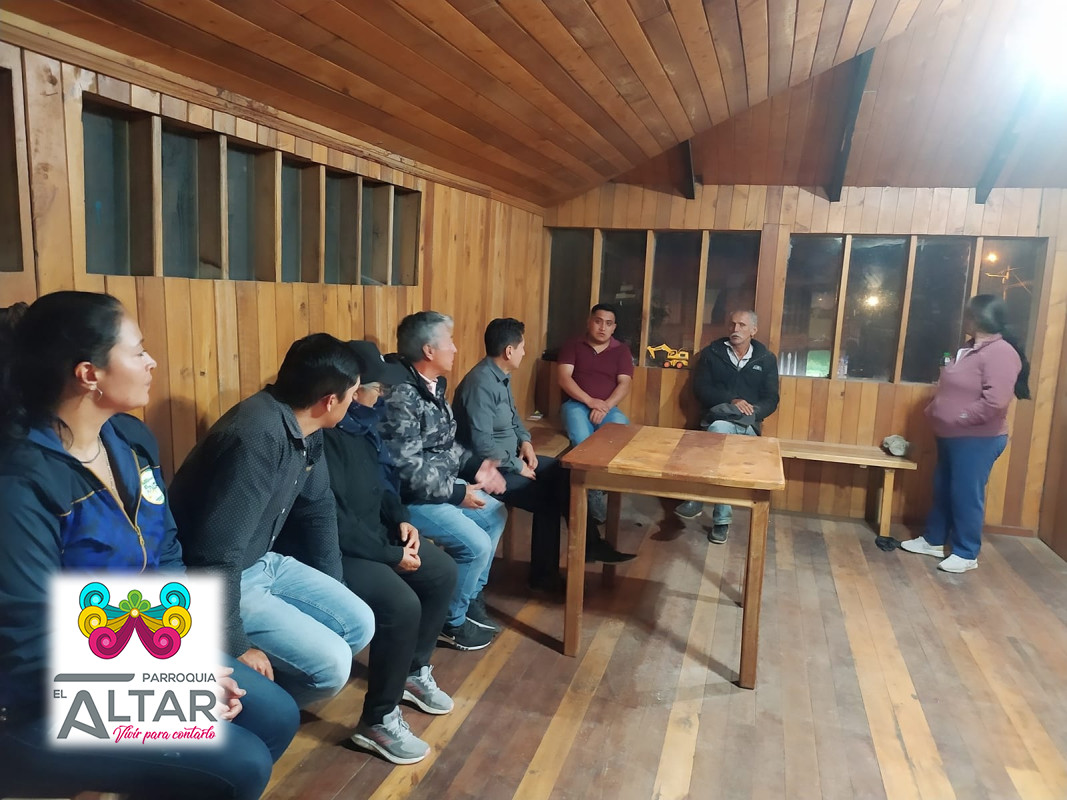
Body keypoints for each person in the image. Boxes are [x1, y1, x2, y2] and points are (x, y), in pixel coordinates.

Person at [0, 292, 298, 800]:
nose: (151, 361)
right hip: (38, 696)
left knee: (276, 714)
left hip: (132, 648)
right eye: (137, 351)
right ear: (88, 374)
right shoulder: (21, 481)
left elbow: (166, 550)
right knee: (242, 764)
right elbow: (31, 644)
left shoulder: (130, 441)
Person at [170, 334, 375, 708]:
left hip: (263, 561)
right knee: (333, 668)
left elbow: (317, 508)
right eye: (353, 393)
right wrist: (236, 646)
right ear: (330, 401)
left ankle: (267, 693)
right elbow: (215, 556)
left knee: (359, 622)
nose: (356, 400)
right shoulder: (255, 437)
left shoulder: (307, 427)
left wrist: (332, 587)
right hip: (220, 577)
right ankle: (255, 706)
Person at [323, 340, 458, 764]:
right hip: (343, 548)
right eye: (375, 388)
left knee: (441, 573)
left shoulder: (365, 425)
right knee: (401, 604)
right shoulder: (325, 435)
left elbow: (383, 484)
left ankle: (413, 671)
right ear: (351, 389)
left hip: (378, 534)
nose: (382, 395)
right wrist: (390, 555)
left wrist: (402, 519)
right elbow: (334, 523)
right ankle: (377, 721)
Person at [454, 318, 634, 592]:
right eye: (522, 347)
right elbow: (483, 445)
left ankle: (591, 544)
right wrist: (517, 466)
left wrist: (526, 442)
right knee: (549, 499)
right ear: (509, 351)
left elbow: (514, 418)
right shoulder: (480, 384)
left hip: (509, 458)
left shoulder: (500, 375)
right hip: (486, 469)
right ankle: (543, 577)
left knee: (565, 473)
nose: (525, 352)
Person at [379, 311, 508, 652]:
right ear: (429, 350)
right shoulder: (401, 395)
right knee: (476, 545)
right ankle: (450, 622)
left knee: (495, 514)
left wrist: (477, 467)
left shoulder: (432, 385)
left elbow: (446, 444)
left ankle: (468, 596)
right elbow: (406, 470)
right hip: (409, 499)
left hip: (441, 487)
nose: (455, 348)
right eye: (449, 341)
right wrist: (456, 492)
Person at [901, 295, 1029, 573]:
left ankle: (966, 552)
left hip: (978, 439)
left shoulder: (1001, 353)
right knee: (943, 488)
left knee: (966, 495)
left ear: (979, 319)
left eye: (968, 314)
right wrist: (935, 410)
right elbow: (951, 385)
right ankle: (934, 541)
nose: (964, 319)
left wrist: (960, 417)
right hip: (951, 436)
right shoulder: (969, 348)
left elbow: (996, 402)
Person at [682, 310, 780, 543]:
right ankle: (721, 522)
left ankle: (698, 496)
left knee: (719, 450)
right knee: (720, 439)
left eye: (742, 325)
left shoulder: (766, 359)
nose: (736, 329)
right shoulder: (712, 354)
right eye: (733, 324)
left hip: (749, 425)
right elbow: (701, 389)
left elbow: (771, 398)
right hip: (719, 419)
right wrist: (732, 401)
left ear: (753, 330)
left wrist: (754, 411)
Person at [557, 303, 635, 522]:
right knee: (583, 439)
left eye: (608, 324)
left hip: (607, 408)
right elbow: (564, 378)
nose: (602, 327)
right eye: (598, 321)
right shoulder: (573, 345)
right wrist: (590, 401)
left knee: (621, 431)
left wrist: (605, 406)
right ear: (589, 322)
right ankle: (592, 495)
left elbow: (625, 384)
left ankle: (600, 486)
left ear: (614, 327)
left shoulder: (621, 350)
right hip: (576, 405)